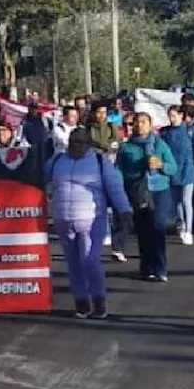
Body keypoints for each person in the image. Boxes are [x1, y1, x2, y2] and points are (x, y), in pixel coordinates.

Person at [46, 127, 133, 319]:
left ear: (88, 144)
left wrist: (125, 210)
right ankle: (81, 302)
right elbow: (38, 178)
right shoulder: (57, 160)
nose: (76, 146)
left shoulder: (100, 162)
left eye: (80, 142)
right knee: (74, 263)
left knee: (90, 261)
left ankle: (99, 300)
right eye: (73, 141)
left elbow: (115, 188)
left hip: (92, 220)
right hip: (63, 220)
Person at [116, 113, 179, 279]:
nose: (139, 125)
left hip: (159, 190)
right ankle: (147, 268)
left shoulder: (160, 144)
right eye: (136, 122)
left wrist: (161, 165)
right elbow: (118, 171)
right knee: (143, 230)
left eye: (143, 122)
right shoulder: (126, 147)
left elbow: (173, 168)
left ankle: (161, 268)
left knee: (158, 227)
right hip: (138, 191)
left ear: (150, 125)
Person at [162, 105, 194, 246]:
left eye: (174, 115)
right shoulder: (165, 133)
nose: (172, 118)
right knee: (177, 202)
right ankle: (181, 222)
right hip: (172, 170)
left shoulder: (190, 130)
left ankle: (189, 230)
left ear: (181, 116)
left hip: (188, 170)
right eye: (170, 116)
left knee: (187, 200)